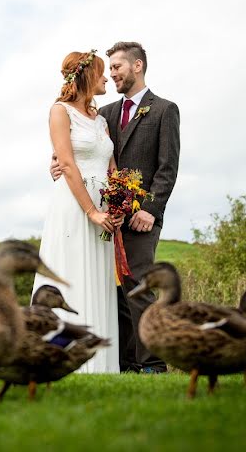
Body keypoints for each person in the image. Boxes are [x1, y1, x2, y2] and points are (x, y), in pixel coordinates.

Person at [52, 41, 180, 373]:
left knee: (139, 286)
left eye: (117, 67)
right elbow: (79, 150)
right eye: (107, 69)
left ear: (137, 66)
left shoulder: (165, 110)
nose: (112, 74)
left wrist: (149, 209)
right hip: (104, 213)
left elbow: (167, 168)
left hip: (142, 218)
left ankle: (153, 364)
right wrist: (56, 163)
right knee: (113, 292)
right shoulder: (102, 113)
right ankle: (125, 365)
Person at [32, 50, 123, 374]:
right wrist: (90, 211)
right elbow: (67, 163)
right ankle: (63, 360)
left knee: (98, 279)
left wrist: (119, 202)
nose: (106, 78)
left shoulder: (101, 120)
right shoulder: (60, 112)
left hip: (103, 208)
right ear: (86, 77)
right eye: (101, 73)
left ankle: (101, 365)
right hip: (74, 206)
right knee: (73, 275)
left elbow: (112, 166)